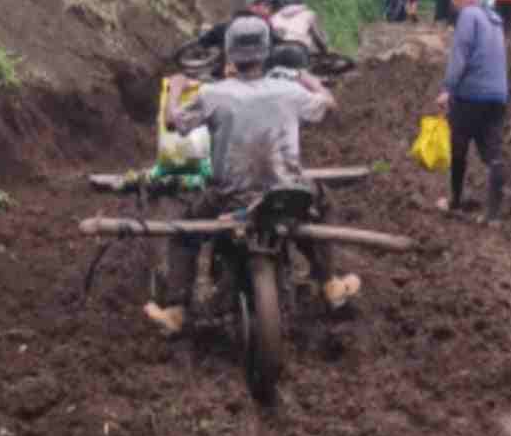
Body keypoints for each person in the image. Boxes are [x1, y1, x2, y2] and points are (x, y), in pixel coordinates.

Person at [145, 17, 360, 336]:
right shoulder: (289, 90)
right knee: (319, 206)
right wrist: (307, 79)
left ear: (230, 55)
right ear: (267, 52)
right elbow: (329, 103)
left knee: (183, 235)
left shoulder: (212, 94)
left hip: (228, 196)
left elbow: (174, 122)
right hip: (287, 191)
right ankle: (329, 282)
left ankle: (176, 310)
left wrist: (176, 89)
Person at [434, 0, 509, 226]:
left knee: (459, 146)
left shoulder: (468, 16)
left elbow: (460, 55)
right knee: (493, 153)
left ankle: (454, 200)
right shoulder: (495, 18)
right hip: (498, 94)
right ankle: (494, 215)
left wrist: (447, 88)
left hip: (472, 93)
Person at [190, 0, 274, 77]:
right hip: (256, 81)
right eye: (265, 5)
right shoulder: (267, 30)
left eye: (268, 5)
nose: (268, 8)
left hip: (222, 78)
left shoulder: (223, 26)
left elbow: (202, 43)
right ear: (254, 6)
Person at [269, 0, 329, 70]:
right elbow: (319, 40)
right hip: (298, 53)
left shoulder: (274, 16)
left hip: (274, 51)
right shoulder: (309, 14)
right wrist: (325, 52)